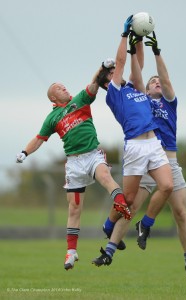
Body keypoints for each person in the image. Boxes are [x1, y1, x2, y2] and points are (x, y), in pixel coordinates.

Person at [100, 30, 186, 287]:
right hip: (143, 154)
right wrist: (134, 49)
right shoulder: (139, 98)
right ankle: (111, 246)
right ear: (143, 88)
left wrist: (155, 50)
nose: (156, 82)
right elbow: (135, 71)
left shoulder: (168, 101)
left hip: (166, 159)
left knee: (180, 212)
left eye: (158, 81)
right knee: (131, 205)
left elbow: (163, 78)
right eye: (151, 81)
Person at [15, 66, 131, 271]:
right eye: (59, 88)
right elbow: (39, 139)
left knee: (104, 174)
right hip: (75, 163)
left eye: (63, 85)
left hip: (92, 154)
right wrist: (24, 152)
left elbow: (94, 85)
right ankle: (71, 251)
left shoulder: (80, 100)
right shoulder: (52, 118)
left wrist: (103, 68)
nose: (64, 88)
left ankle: (121, 202)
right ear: (53, 97)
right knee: (75, 207)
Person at [91, 16, 173, 267]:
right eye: (114, 72)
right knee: (126, 200)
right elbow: (120, 61)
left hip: (153, 145)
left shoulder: (135, 89)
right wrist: (124, 34)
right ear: (108, 81)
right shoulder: (114, 94)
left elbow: (136, 62)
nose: (119, 71)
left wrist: (137, 42)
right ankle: (108, 224)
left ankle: (145, 224)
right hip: (136, 147)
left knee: (167, 186)